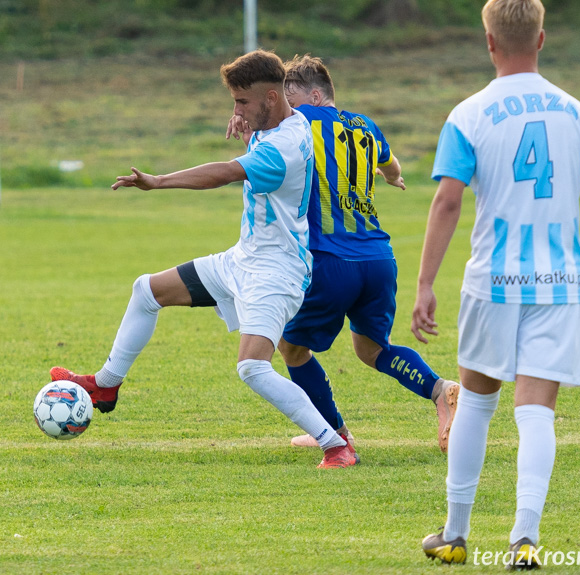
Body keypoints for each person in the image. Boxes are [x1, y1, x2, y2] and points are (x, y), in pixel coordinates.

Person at [51, 49, 359, 469]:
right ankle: (105, 386)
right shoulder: (293, 118)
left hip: (276, 273)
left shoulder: (284, 146)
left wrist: (159, 181)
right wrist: (249, 122)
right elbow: (273, 119)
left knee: (252, 367)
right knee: (147, 290)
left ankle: (336, 445)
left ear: (270, 98)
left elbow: (225, 172)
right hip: (243, 259)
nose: (236, 109)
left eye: (241, 102)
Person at [413, 0, 580, 568]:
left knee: (478, 405)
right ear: (541, 39)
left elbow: (448, 201)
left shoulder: (469, 114)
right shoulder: (577, 114)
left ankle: (455, 534)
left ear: (488, 42)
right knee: (536, 412)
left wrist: (425, 284)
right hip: (558, 283)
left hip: (494, 282)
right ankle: (524, 540)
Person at [228, 55, 460, 453]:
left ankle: (336, 433)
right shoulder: (365, 126)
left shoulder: (300, 125)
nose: (286, 111)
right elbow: (392, 165)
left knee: (291, 347)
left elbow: (269, 157)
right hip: (378, 259)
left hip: (329, 260)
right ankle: (441, 389)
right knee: (371, 349)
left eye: (293, 100)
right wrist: (393, 178)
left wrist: (248, 127)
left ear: (316, 96)